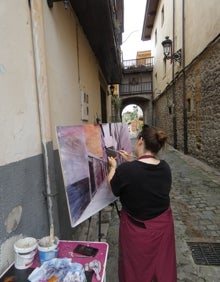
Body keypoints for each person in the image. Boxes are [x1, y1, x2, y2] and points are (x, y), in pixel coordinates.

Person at [107, 125, 177, 282]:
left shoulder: (126, 171)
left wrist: (113, 168)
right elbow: (144, 171)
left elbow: (113, 186)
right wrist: (130, 161)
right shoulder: (165, 168)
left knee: (135, 269)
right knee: (162, 267)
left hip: (136, 233)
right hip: (162, 230)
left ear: (140, 141)